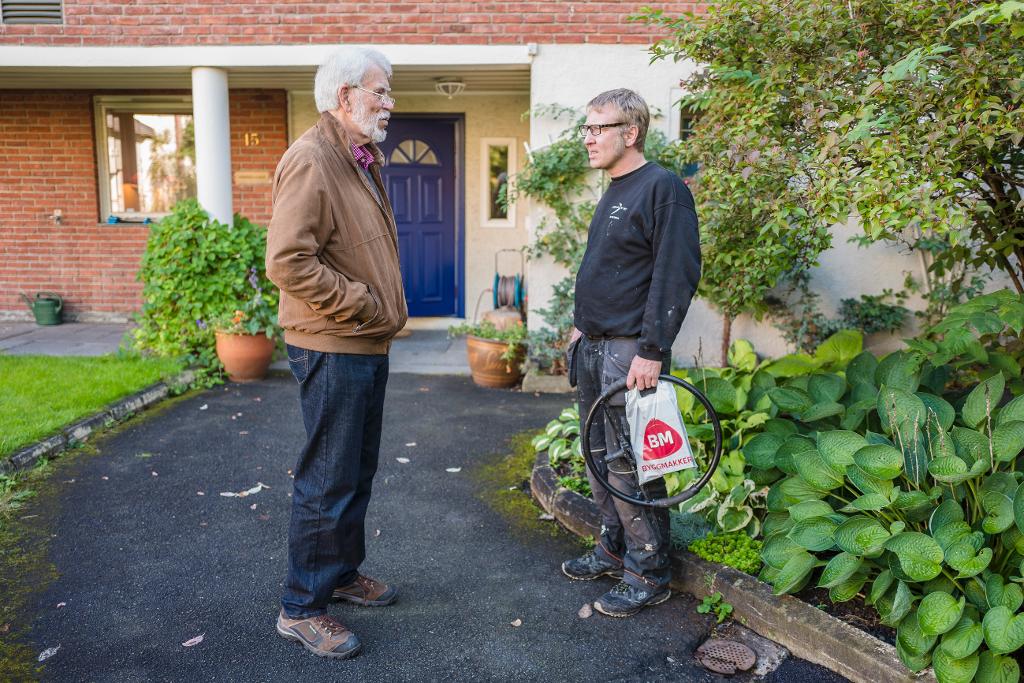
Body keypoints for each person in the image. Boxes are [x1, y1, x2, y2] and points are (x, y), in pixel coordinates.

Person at [265, 46, 407, 659]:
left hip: (362, 343)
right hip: (334, 341)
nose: (389, 103)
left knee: (355, 470)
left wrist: (374, 316)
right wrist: (364, 305)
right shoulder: (312, 158)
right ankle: (302, 607)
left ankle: (341, 575)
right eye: (381, 92)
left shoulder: (357, 156)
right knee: (327, 477)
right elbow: (288, 260)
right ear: (345, 95)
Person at [561, 88, 701, 617]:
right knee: (597, 454)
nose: (589, 138)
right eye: (587, 128)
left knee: (628, 462)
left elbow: (674, 274)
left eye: (599, 128)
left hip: (628, 354)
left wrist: (652, 350)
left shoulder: (661, 188)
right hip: (594, 347)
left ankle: (649, 570)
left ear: (631, 132)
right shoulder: (616, 189)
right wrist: (579, 327)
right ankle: (612, 547)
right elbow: (610, 268)